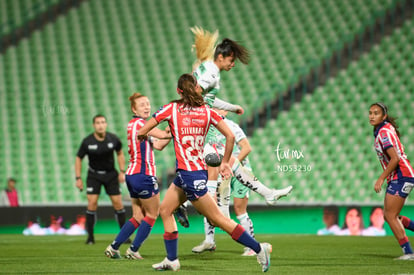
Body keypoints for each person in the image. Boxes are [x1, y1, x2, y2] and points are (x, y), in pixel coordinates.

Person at [138, 73, 272, 272]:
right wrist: (225, 162)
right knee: (165, 210)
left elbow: (145, 128)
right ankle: (172, 260)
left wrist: (143, 134)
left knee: (217, 219)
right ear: (197, 88)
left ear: (178, 91)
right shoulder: (206, 111)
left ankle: (258, 248)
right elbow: (229, 136)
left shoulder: (171, 109)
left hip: (191, 177)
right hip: (189, 173)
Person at [175, 27, 292, 227]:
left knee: (227, 163)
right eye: (231, 60)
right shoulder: (211, 73)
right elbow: (194, 94)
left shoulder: (207, 68)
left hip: (201, 123)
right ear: (222, 57)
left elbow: (206, 98)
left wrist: (231, 107)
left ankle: (267, 194)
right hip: (202, 126)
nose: (233, 64)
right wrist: (200, 115)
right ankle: (265, 195)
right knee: (224, 161)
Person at [192, 109, 291, 255]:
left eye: (217, 109)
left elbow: (247, 147)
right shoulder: (207, 128)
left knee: (239, 208)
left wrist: (232, 165)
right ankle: (209, 241)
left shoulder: (231, 126)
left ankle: (251, 246)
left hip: (239, 169)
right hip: (221, 170)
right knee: (212, 206)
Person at [104, 92, 171, 259]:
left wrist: (169, 132)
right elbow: (162, 135)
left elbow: (159, 144)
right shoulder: (142, 124)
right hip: (143, 175)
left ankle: (114, 247)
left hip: (132, 175)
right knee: (152, 214)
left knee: (138, 216)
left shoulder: (135, 125)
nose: (147, 106)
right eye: (142, 105)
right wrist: (175, 127)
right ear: (134, 109)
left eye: (148, 103)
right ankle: (133, 250)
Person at [369, 102, 414, 259]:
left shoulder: (383, 133)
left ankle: (408, 252)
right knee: (391, 216)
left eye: (376, 113)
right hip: (401, 175)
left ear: (384, 116)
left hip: (401, 174)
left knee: (390, 215)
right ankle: (408, 251)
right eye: (370, 113)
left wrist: (380, 179)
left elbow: (394, 159)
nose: (372, 116)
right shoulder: (384, 130)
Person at [75, 114, 127, 244]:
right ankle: (90, 237)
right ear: (94, 125)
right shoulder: (87, 141)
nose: (100, 125)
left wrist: (122, 171)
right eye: (97, 123)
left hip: (111, 175)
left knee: (118, 204)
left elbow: (120, 153)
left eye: (103, 122)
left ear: (106, 124)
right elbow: (78, 158)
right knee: (92, 204)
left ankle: (124, 236)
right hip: (94, 175)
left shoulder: (113, 139)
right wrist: (78, 178)